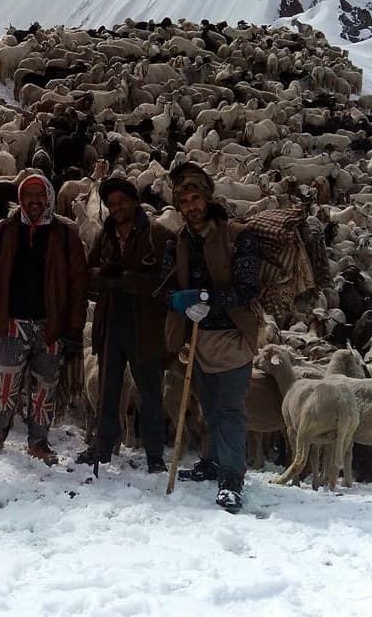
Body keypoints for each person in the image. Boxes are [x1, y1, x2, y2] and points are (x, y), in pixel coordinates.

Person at [0, 174, 87, 465]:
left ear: (49, 197)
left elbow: (78, 285)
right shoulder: (4, 230)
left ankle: (38, 440)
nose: (34, 201)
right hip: (12, 320)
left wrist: (73, 328)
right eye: (28, 195)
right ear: (21, 198)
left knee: (45, 384)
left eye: (39, 195)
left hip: (51, 325)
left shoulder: (66, 235)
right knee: (5, 382)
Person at [162, 163, 261, 512]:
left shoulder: (238, 236)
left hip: (232, 336)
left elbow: (248, 289)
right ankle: (214, 459)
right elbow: (166, 287)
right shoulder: (180, 242)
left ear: (207, 197)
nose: (191, 205)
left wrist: (206, 299)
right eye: (184, 201)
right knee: (209, 407)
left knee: (230, 408)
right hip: (197, 337)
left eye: (195, 197)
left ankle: (232, 478)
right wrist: (179, 301)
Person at [75, 177, 170, 473]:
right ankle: (104, 446)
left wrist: (126, 279)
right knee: (108, 388)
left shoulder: (157, 234)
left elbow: (166, 281)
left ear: (134, 202)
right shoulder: (105, 235)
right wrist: (102, 275)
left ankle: (155, 453)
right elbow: (89, 274)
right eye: (111, 204)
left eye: (121, 202)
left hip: (144, 324)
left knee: (149, 392)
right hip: (111, 322)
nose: (117, 208)